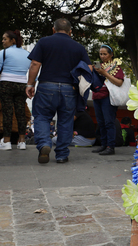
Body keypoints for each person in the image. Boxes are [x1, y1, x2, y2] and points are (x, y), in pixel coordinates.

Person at [26, 18, 93, 164]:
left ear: (53, 29)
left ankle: (44, 143)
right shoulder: (78, 47)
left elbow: (35, 63)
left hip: (46, 86)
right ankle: (62, 154)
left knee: (42, 117)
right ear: (70, 32)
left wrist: (30, 84)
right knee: (66, 120)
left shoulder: (44, 42)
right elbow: (89, 69)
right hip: (69, 88)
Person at [0, 30, 31, 151]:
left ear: (12, 40)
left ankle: (6, 141)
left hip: (6, 83)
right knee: (20, 112)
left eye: (5, 39)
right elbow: (33, 70)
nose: (2, 41)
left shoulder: (3, 53)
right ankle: (22, 141)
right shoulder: (27, 54)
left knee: (7, 112)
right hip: (22, 84)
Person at [91, 44, 124, 156]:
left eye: (105, 54)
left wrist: (104, 73)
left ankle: (111, 146)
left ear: (111, 55)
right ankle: (104, 145)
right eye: (101, 54)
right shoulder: (98, 66)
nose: (102, 56)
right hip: (97, 96)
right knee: (101, 123)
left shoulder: (115, 67)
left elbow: (119, 82)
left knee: (109, 122)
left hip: (108, 97)